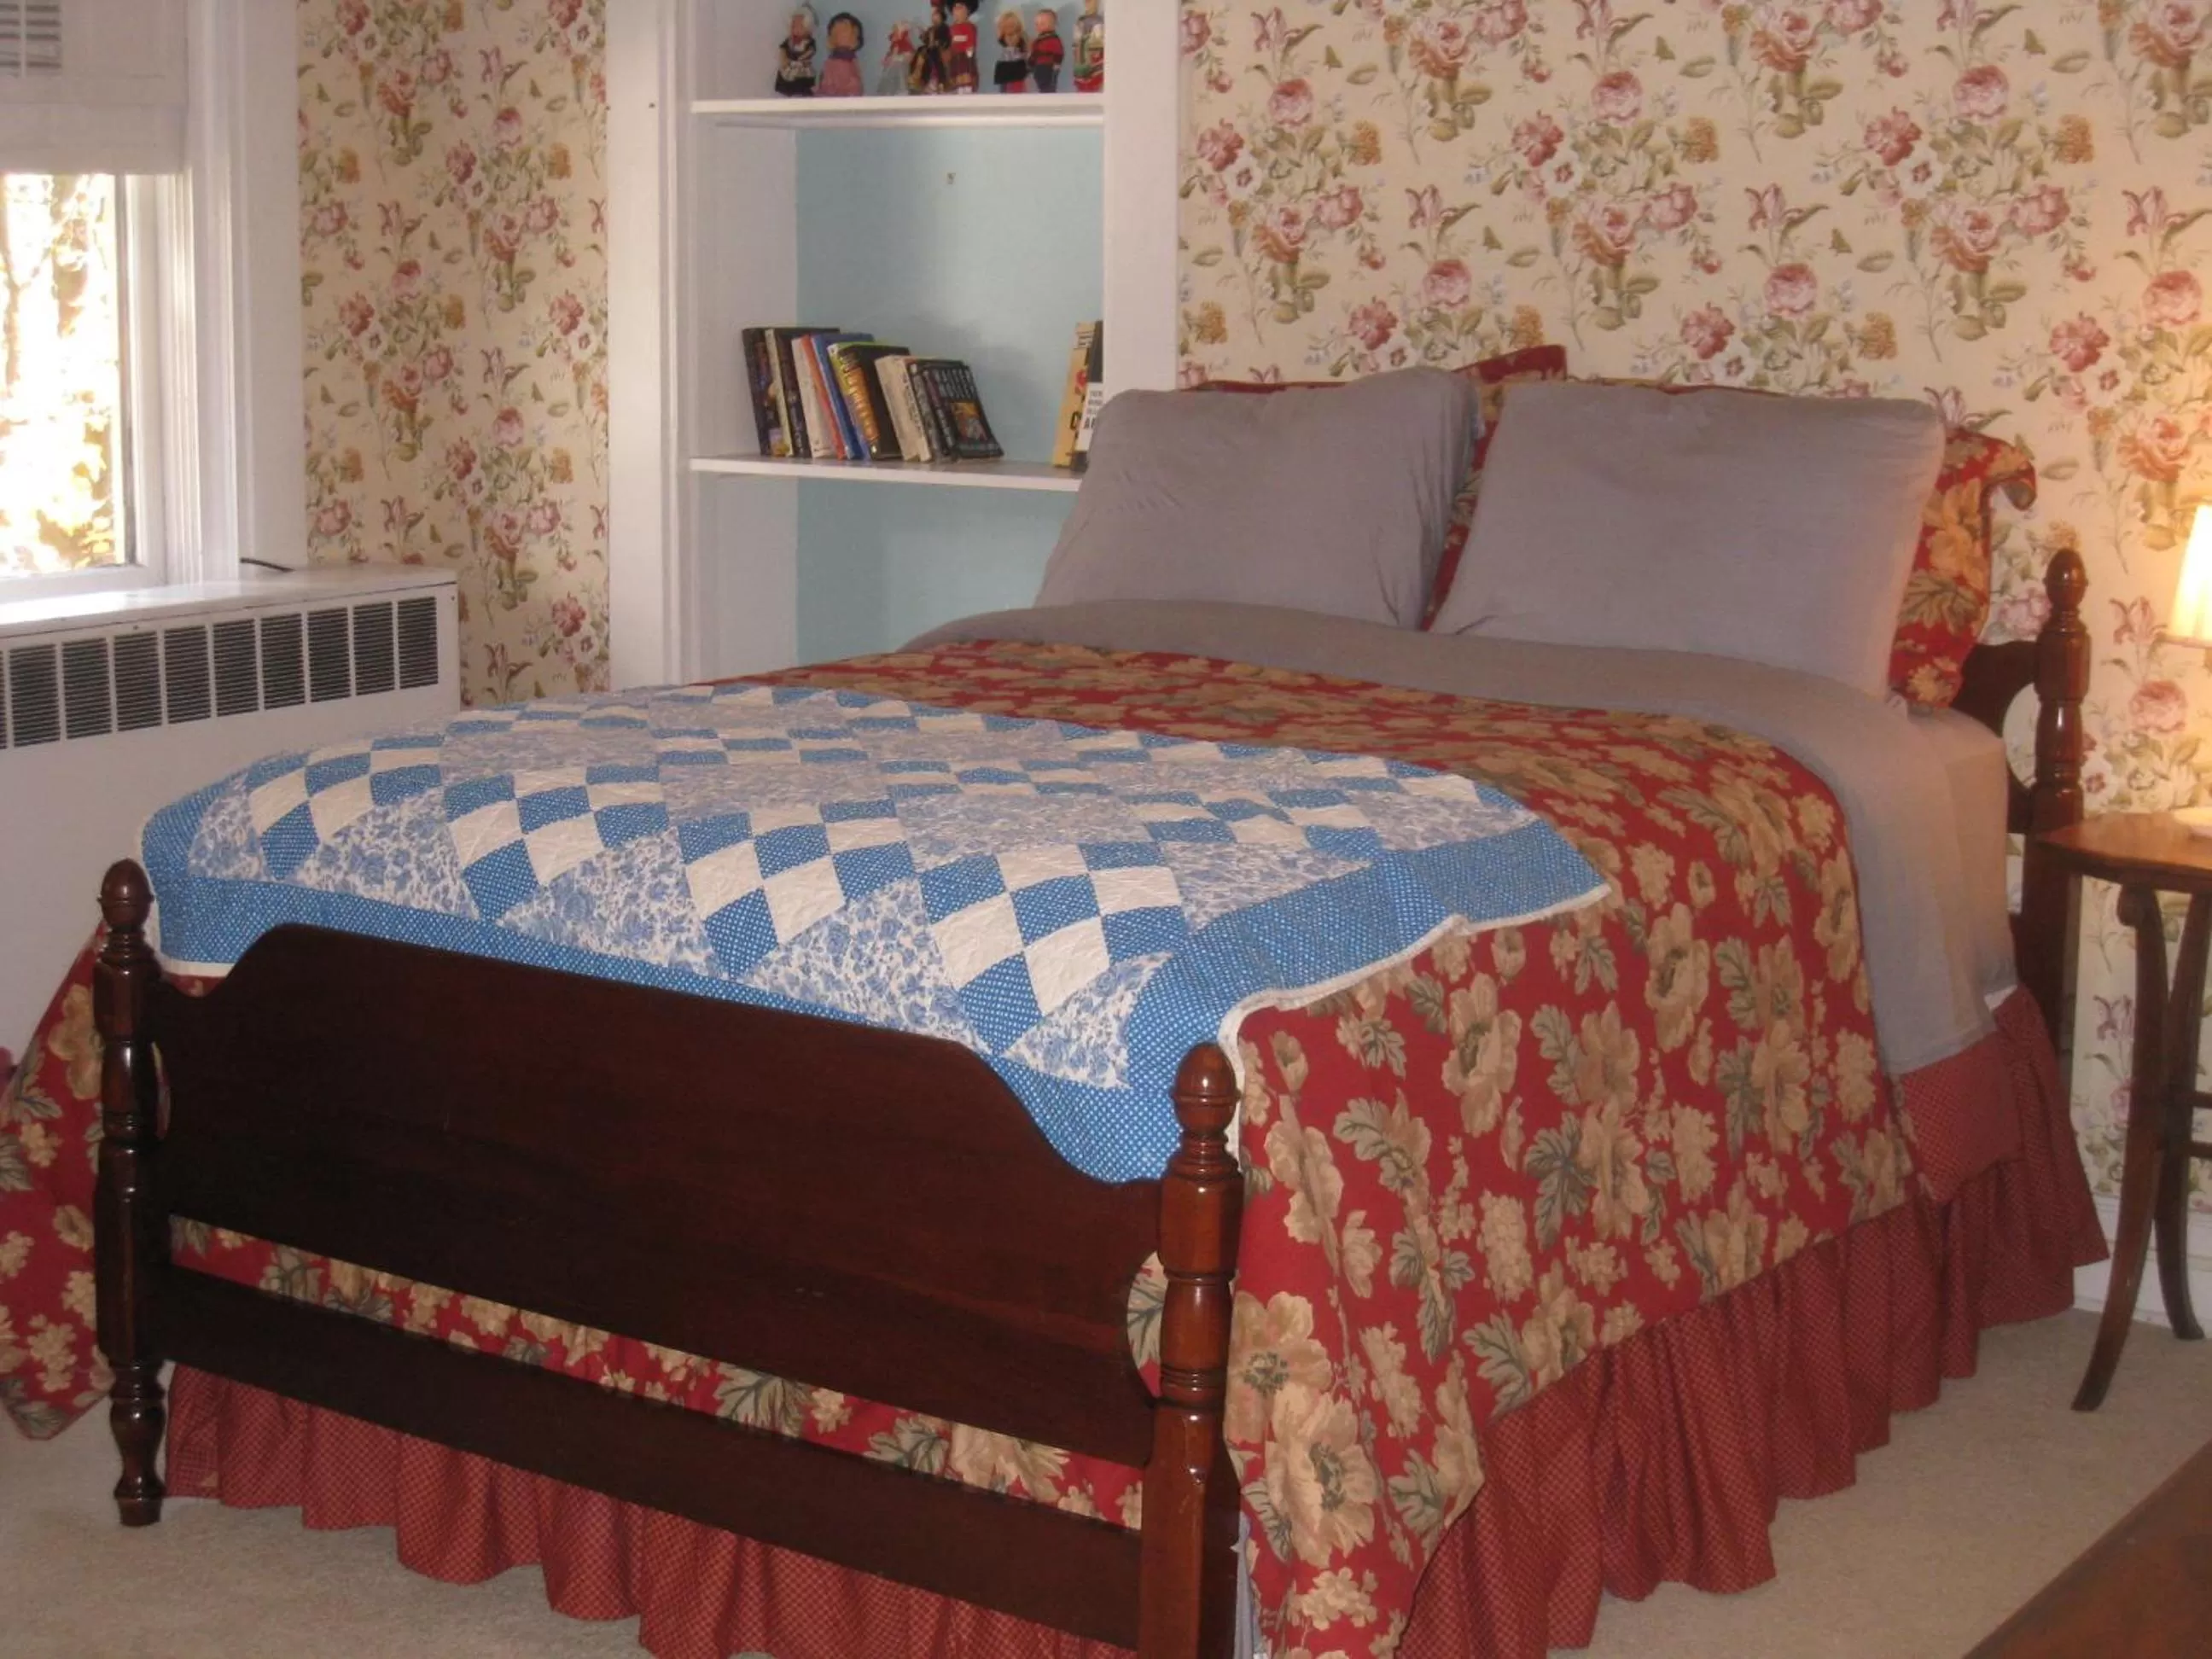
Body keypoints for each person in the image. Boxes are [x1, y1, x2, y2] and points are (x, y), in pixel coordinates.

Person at [773, 5, 818, 96]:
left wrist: (802, 58)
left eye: (800, 27)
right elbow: (783, 49)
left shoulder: (808, 42)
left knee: (802, 81)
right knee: (787, 77)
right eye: (794, 27)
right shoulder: (790, 41)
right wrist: (784, 60)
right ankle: (788, 91)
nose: (796, 30)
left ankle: (803, 92)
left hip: (802, 65)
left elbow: (811, 51)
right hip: (791, 65)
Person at [818, 10, 865, 96]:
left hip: (847, 90)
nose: (840, 34)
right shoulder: (830, 60)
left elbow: (856, 76)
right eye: (837, 31)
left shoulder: (852, 60)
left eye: (844, 31)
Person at [911, 3, 952, 92]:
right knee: (920, 50)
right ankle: (918, 77)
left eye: (935, 15)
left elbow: (946, 40)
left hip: (939, 49)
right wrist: (922, 34)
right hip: (929, 49)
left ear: (941, 16)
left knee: (933, 54)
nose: (933, 18)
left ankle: (940, 81)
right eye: (933, 16)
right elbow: (926, 40)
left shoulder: (944, 27)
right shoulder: (931, 29)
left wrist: (937, 43)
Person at [1028, 8, 1064, 92]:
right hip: (1038, 68)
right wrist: (1031, 63)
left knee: (1048, 86)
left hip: (1048, 67)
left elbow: (1059, 53)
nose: (1038, 27)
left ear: (1052, 25)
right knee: (1040, 85)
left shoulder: (1053, 39)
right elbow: (1034, 53)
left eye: (1042, 24)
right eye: (1036, 24)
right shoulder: (1038, 40)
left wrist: (1057, 65)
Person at [947, 0, 981, 92]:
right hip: (954, 62)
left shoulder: (970, 27)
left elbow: (970, 44)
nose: (957, 11)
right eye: (955, 8)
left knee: (967, 87)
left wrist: (969, 54)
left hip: (966, 61)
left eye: (960, 8)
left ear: (968, 10)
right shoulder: (950, 29)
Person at [993, 10, 1028, 92]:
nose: (1010, 37)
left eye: (1014, 31)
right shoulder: (1004, 42)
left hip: (1017, 67)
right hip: (1006, 66)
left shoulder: (1022, 47)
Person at [1071, 0, 1102, 92]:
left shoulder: (1099, 20)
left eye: (1092, 1)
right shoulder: (1081, 20)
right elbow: (1076, 37)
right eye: (1087, 2)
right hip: (1081, 53)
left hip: (1092, 52)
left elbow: (1099, 37)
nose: (1089, 4)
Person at [879, 19, 916, 95]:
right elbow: (892, 53)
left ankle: (902, 88)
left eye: (896, 30)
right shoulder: (896, 44)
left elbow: (906, 55)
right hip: (897, 62)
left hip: (902, 61)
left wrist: (893, 58)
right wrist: (888, 59)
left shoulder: (903, 44)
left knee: (900, 70)